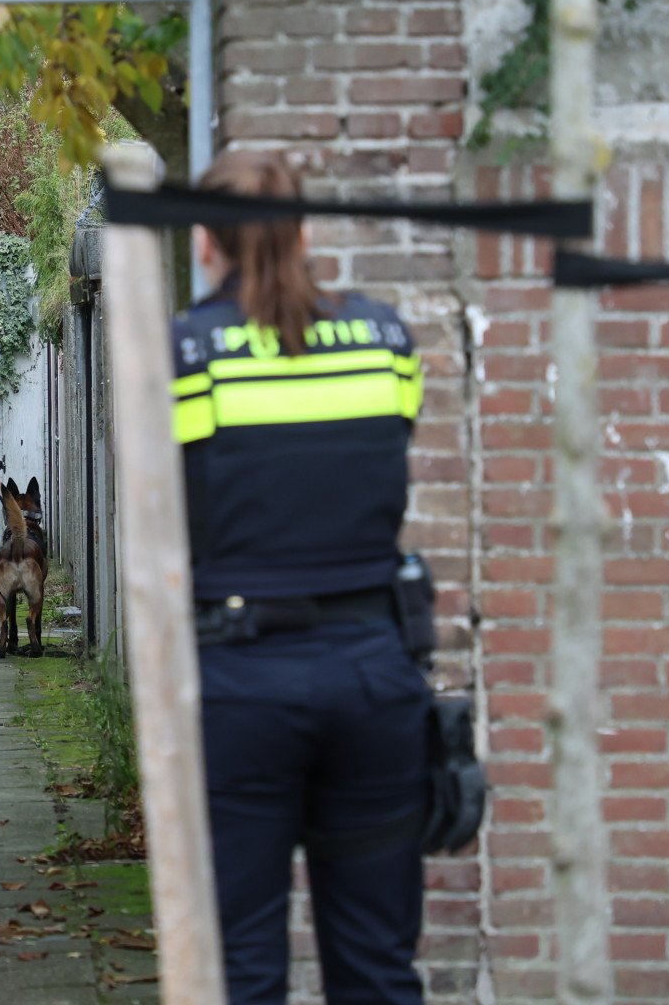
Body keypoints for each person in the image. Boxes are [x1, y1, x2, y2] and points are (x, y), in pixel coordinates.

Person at [170, 155, 429, 1005]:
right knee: (379, 969)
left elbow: (169, 500)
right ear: (305, 233)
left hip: (241, 683)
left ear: (204, 241)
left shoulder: (186, 354)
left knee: (241, 969)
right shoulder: (387, 339)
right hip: (374, 672)